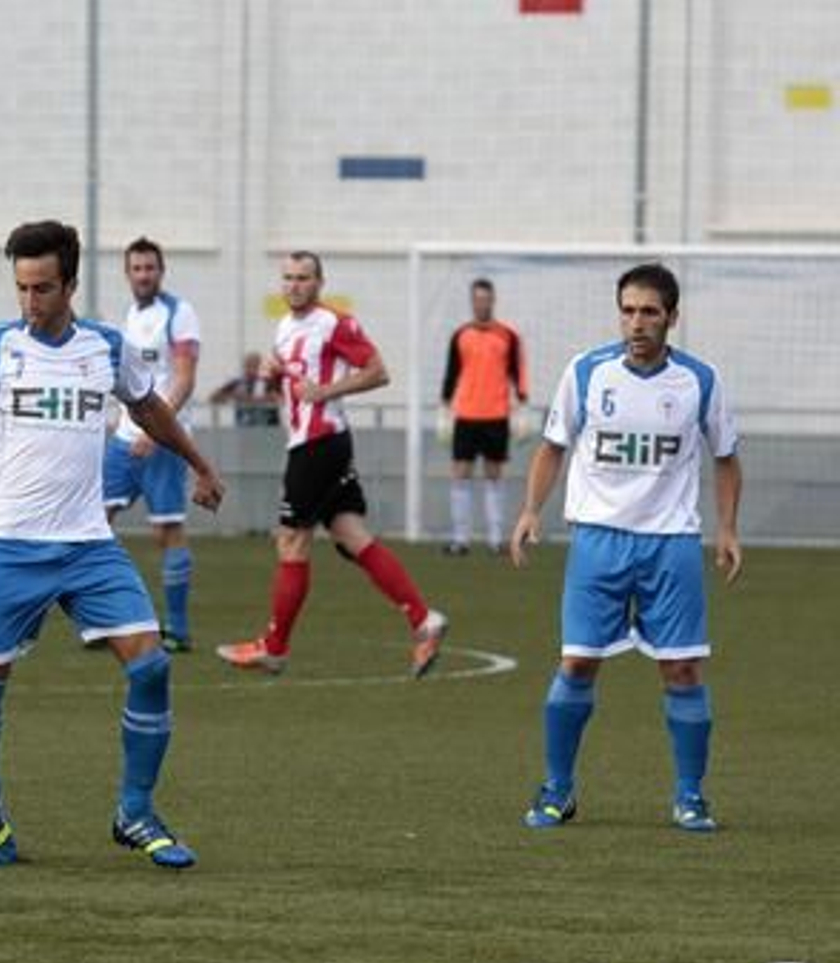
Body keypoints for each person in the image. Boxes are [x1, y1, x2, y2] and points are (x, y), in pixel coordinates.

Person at [0, 220, 224, 869]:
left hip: (87, 543)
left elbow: (148, 408)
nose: (30, 303)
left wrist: (200, 463)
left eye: (43, 289)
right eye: (22, 289)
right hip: (7, 543)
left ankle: (136, 813)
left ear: (70, 283)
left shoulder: (105, 347)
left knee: (150, 664)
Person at [512, 263, 742, 833]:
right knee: (578, 662)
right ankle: (557, 790)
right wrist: (529, 511)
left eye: (649, 312)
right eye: (629, 310)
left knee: (683, 670)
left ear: (672, 317)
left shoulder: (699, 381)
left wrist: (729, 528)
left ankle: (691, 796)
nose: (637, 322)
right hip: (597, 541)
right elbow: (552, 446)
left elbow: (727, 458)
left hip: (671, 544)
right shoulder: (587, 373)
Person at [216, 251, 448, 678]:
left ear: (319, 282)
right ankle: (423, 620)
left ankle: (275, 647)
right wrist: (276, 374)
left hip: (319, 444)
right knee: (351, 535)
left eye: (303, 278)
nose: (294, 285)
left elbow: (378, 372)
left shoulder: (334, 323)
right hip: (313, 443)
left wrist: (325, 391)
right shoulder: (285, 328)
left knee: (290, 541)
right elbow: (297, 380)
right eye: (287, 278)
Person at [101, 236, 201, 651]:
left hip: (162, 439)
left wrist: (155, 430)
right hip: (124, 436)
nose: (143, 275)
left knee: (167, 532)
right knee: (92, 522)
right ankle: (104, 619)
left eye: (150, 268)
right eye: (136, 268)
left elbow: (183, 378)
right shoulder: (127, 314)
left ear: (161, 271)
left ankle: (177, 629)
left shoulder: (178, 314)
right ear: (127, 273)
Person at [440, 278, 528, 554]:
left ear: (492, 301)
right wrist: (444, 408)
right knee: (460, 474)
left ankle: (495, 539)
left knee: (494, 475)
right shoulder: (460, 335)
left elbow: (518, 371)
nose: (481, 303)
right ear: (472, 301)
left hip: (496, 414)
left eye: (485, 299)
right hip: (465, 413)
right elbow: (452, 373)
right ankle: (460, 539)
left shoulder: (508, 336)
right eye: (477, 299)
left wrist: (522, 405)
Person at [209, 350, 280, 427]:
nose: (251, 369)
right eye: (248, 366)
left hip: (267, 428)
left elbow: (280, 398)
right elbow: (213, 398)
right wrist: (231, 396)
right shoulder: (237, 383)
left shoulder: (270, 382)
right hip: (244, 429)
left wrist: (254, 399)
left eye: (255, 366)